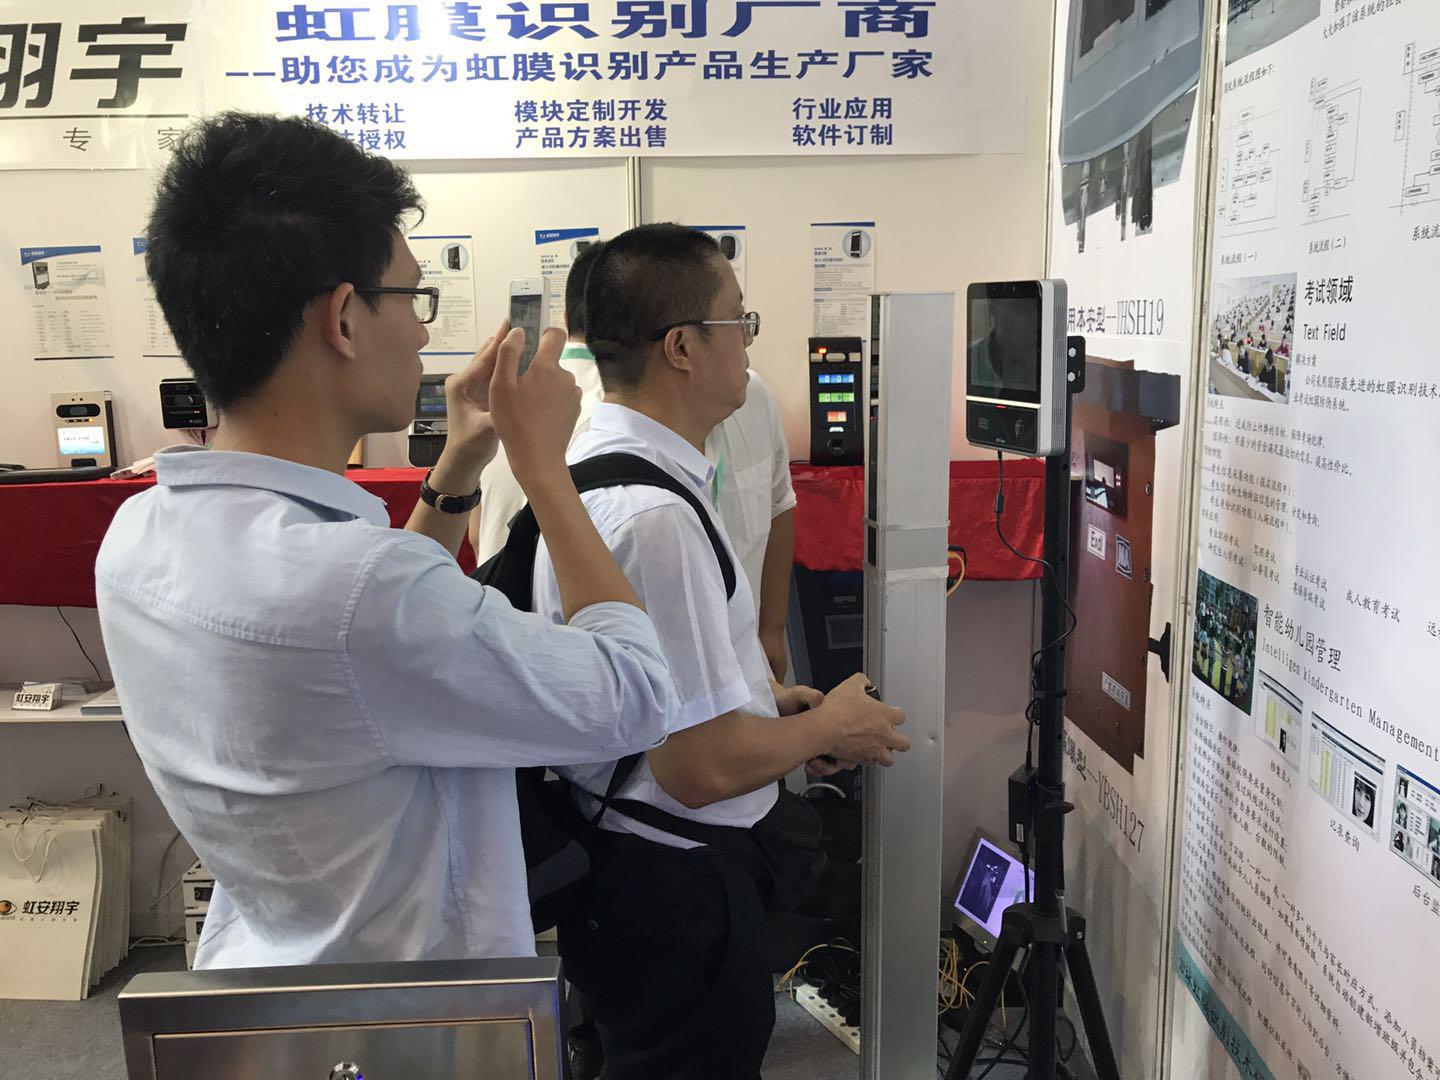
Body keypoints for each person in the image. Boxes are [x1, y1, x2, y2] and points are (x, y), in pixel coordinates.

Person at [95, 113, 682, 969]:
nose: (422, 331)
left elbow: (371, 655)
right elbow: (635, 696)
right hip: (411, 1006)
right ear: (343, 318)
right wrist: (544, 468)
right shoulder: (358, 590)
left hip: (273, 965)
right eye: (412, 297)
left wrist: (463, 459)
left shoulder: (140, 534)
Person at [531, 224, 909, 1079]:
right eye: (739, 321)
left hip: (632, 869)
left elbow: (648, 693)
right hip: (674, 884)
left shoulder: (606, 465)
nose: (748, 342)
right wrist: (830, 727)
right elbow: (695, 768)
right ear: (682, 347)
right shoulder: (655, 518)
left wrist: (760, 700)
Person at [469, 239, 608, 563]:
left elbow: (476, 534)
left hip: (489, 580)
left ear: (565, 316)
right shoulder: (621, 404)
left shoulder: (499, 392)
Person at [706, 369, 796, 679]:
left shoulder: (751, 393)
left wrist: (772, 628)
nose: (747, 346)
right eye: (739, 345)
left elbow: (778, 504)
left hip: (750, 656)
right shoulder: (594, 425)